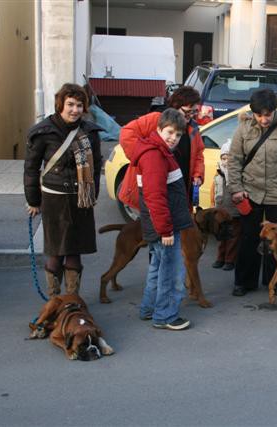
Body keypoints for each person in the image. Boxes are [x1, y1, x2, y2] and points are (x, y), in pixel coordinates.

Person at [228, 89, 277, 297]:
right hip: (250, 192)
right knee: (249, 238)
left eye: (268, 114)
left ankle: (276, 282)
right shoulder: (243, 129)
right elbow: (234, 160)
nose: (264, 119)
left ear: (275, 111)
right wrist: (236, 188)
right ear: (253, 113)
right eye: (259, 114)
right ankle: (244, 281)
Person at [24, 83, 102, 297]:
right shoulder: (43, 132)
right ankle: (54, 299)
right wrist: (33, 201)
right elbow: (31, 170)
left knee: (75, 250)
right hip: (54, 200)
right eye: (70, 104)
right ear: (60, 104)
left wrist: (91, 196)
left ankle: (71, 299)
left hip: (81, 200)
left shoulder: (90, 132)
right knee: (56, 251)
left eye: (79, 105)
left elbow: (95, 166)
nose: (75, 109)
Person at [131, 109, 194, 330]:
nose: (173, 139)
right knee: (172, 272)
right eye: (169, 132)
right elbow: (155, 197)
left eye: (178, 135)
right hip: (164, 227)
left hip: (159, 225)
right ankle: (165, 315)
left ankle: (149, 309)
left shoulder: (160, 151)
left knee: (157, 269)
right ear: (159, 129)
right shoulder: (155, 155)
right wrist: (166, 230)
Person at [120, 86, 205, 208]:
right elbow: (127, 133)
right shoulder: (157, 119)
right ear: (176, 105)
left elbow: (198, 154)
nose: (190, 116)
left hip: (179, 190)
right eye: (187, 111)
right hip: (153, 189)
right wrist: (146, 158)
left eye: (194, 112)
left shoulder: (193, 129)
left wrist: (198, 174)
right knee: (155, 222)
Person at [210, 140, 241, 271]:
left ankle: (230, 259)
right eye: (223, 158)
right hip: (221, 211)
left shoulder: (237, 174)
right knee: (222, 236)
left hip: (234, 211)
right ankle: (220, 257)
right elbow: (214, 191)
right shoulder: (218, 175)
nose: (226, 161)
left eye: (229, 158)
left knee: (233, 237)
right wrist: (213, 205)